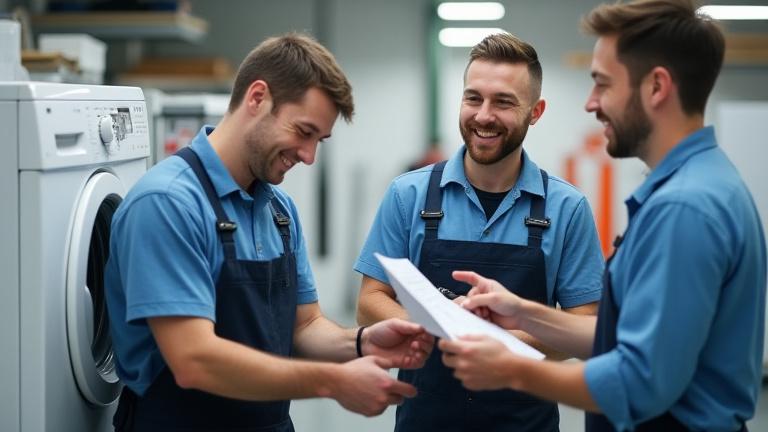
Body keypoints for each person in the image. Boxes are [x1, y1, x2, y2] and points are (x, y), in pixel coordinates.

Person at [439, 1, 767, 431]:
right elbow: (627, 336)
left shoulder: (684, 207)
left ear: (656, 87)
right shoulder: (697, 184)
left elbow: (639, 379)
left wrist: (511, 368)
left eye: (602, 84)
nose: (592, 103)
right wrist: (521, 312)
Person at [104, 33, 433, 432]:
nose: (309, 157)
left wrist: (361, 342)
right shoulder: (168, 203)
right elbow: (193, 360)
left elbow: (304, 326)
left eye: (319, 141)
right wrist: (333, 382)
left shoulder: (279, 211)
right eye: (304, 131)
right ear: (257, 98)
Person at [354, 32, 605, 432]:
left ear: (535, 112)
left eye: (503, 102)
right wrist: (436, 327)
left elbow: (584, 322)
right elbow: (370, 299)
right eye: (474, 98)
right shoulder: (409, 194)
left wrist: (505, 344)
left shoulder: (567, 208)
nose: (483, 115)